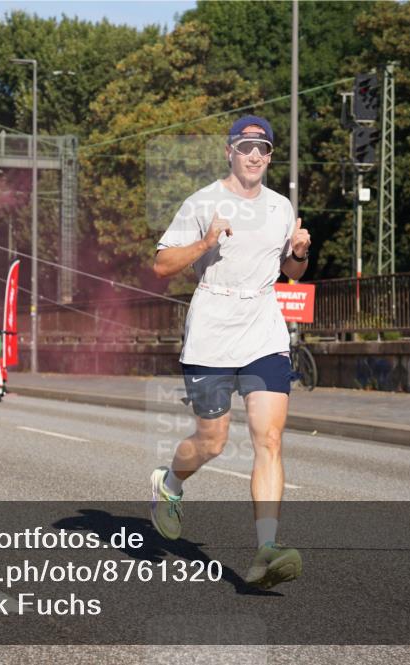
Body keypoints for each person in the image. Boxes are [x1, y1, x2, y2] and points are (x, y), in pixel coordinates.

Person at [149, 115, 312, 590]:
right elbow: (161, 265)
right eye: (246, 148)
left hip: (263, 327)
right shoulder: (202, 202)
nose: (255, 155)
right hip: (213, 328)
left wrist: (299, 251)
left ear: (270, 155)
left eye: (263, 148)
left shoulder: (281, 207)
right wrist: (205, 241)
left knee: (270, 439)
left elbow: (292, 272)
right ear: (229, 152)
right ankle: (169, 483)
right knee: (213, 441)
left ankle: (266, 549)